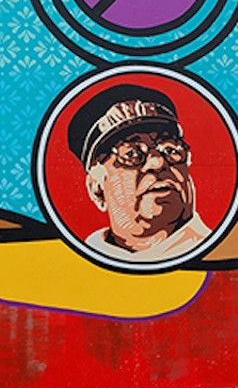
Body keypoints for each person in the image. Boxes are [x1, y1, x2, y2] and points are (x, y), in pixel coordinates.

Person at [66, 84, 210, 263]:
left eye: (170, 149)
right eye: (132, 154)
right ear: (97, 189)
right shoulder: (73, 264)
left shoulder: (221, 250)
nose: (157, 163)